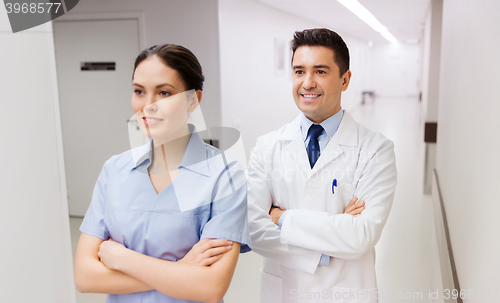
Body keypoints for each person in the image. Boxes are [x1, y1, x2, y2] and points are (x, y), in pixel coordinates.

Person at [74, 44, 250, 303]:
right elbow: (85, 277)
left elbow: (210, 288)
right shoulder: (115, 170)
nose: (148, 105)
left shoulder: (224, 176)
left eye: (164, 93)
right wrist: (181, 269)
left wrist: (123, 259)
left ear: (193, 100)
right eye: (139, 91)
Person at [247, 28, 397, 302]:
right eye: (299, 71)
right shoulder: (267, 147)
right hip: (283, 291)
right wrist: (333, 235)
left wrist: (281, 218)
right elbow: (254, 230)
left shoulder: (377, 150)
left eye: (321, 71)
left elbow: (361, 236)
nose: (307, 83)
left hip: (347, 292)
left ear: (345, 79)